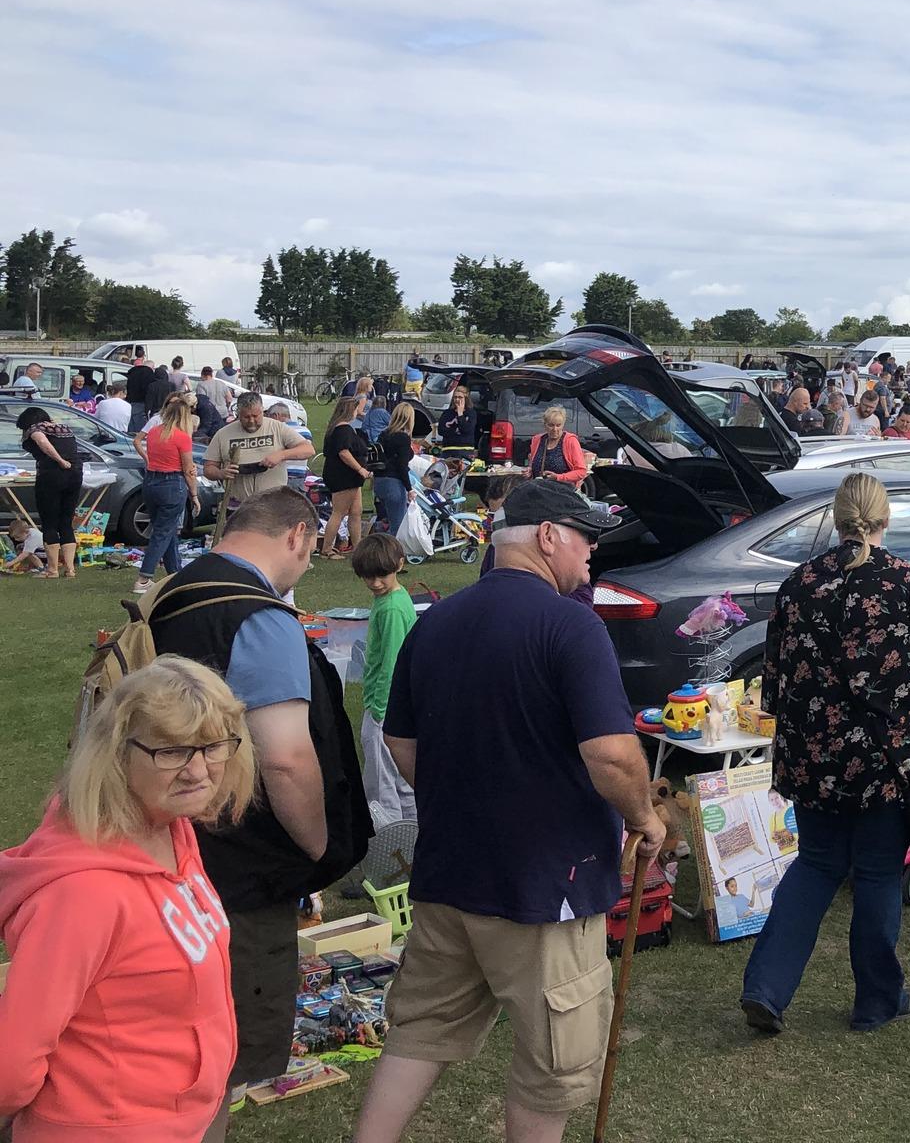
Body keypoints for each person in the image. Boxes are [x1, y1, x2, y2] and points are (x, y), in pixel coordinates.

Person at [355, 480, 665, 1143]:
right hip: (545, 887)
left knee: (420, 1031)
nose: (591, 557)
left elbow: (399, 739)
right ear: (547, 536)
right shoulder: (570, 623)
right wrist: (644, 817)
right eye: (585, 538)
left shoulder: (434, 620)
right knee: (550, 1065)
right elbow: (612, 756)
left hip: (448, 875)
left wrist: (461, 794)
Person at [149, 490, 370, 1103]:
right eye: (311, 550)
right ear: (297, 535)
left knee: (164, 1056)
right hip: (240, 873)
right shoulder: (259, 616)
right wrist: (319, 848)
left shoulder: (170, 590)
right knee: (216, 1067)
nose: (307, 565)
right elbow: (285, 756)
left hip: (161, 851)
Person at [739, 474, 910, 1033]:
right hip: (886, 762)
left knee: (816, 866)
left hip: (813, 758)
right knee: (875, 875)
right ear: (885, 520)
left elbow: (773, 687)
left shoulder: (797, 584)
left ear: (836, 518)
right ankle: (875, 1003)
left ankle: (766, 989)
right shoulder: (909, 583)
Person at [0, 657, 256, 1143]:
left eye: (213, 746)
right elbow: (12, 1058)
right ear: (117, 754)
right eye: (173, 751)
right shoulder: (83, 894)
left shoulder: (171, 830)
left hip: (175, 1121)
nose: (199, 770)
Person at [351, 532, 418, 830]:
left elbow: (391, 663)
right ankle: (412, 831)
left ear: (399, 565)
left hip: (385, 706)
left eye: (382, 576)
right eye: (369, 577)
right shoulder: (396, 597)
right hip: (396, 704)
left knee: (381, 781)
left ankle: (390, 843)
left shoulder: (391, 608)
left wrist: (379, 710)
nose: (376, 583)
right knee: (400, 775)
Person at [203, 391, 313, 532]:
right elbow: (208, 468)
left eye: (256, 416)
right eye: (246, 417)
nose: (252, 421)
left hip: (273, 505)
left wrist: (281, 455)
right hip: (238, 506)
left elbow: (308, 449)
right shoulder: (223, 434)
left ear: (262, 411)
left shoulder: (277, 428)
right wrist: (221, 473)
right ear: (238, 414)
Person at [134, 393, 203, 594]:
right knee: (162, 532)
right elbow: (189, 469)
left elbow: (141, 444)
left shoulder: (155, 432)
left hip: (151, 483)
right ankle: (144, 578)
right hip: (172, 484)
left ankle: (174, 573)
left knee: (167, 529)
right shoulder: (182, 437)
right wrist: (195, 495)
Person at [14, 406, 84, 581]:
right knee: (66, 522)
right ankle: (70, 570)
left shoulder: (35, 429)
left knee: (50, 522)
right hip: (75, 474)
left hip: (52, 475)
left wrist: (60, 461)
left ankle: (52, 570)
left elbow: (43, 443)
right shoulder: (63, 428)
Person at [318, 395, 375, 559]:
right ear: (351, 410)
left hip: (350, 478)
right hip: (344, 477)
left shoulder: (338, 428)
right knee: (339, 512)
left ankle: (357, 547)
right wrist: (360, 469)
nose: (359, 411)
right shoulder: (343, 429)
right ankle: (327, 549)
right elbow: (344, 452)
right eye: (358, 408)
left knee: (356, 511)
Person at [373, 401, 420, 534]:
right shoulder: (403, 438)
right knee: (398, 526)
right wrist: (409, 488)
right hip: (393, 483)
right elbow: (402, 466)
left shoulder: (384, 434)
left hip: (380, 481)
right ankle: (392, 552)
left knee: (389, 520)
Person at [524, 405, 590, 487]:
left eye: (558, 425)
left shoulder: (570, 441)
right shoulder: (537, 440)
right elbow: (533, 464)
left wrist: (558, 477)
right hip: (540, 490)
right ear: (545, 425)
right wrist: (529, 471)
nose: (555, 429)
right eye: (551, 425)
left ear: (563, 424)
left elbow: (581, 471)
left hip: (563, 491)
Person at [435, 385, 478, 474]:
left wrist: (460, 414)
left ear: (466, 398)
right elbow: (441, 430)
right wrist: (455, 431)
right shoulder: (447, 413)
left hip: (465, 451)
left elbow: (467, 430)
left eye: (460, 397)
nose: (457, 400)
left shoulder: (471, 413)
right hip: (448, 450)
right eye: (455, 397)